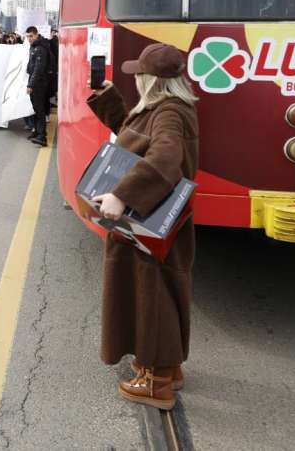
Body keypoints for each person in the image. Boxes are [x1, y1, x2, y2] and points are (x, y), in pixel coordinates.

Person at [86, 43, 199, 411]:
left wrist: (122, 195)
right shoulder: (166, 108)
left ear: (151, 80)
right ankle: (167, 368)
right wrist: (109, 99)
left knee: (152, 297)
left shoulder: (168, 113)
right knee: (157, 293)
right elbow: (134, 136)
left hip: (148, 220)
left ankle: (156, 383)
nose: (134, 79)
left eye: (139, 74)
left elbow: (165, 157)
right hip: (155, 218)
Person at [24, 26, 52, 147]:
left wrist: (31, 85)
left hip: (39, 83)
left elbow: (38, 69)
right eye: (27, 36)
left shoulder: (40, 48)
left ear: (36, 35)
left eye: (31, 36)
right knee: (35, 108)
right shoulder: (34, 46)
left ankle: (42, 136)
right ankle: (36, 131)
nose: (29, 39)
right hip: (36, 81)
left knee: (39, 110)